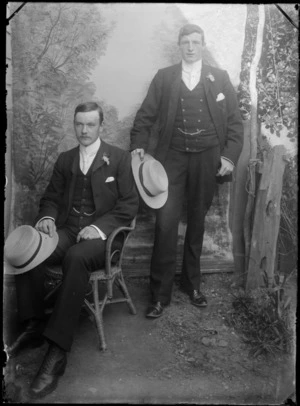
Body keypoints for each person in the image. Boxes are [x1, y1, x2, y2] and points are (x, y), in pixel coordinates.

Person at [5, 101, 139, 398]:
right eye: (79, 124)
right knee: (32, 252)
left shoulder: (118, 159)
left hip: (102, 237)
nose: (84, 130)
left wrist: (99, 227)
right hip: (67, 229)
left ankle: (57, 352)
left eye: (91, 124)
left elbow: (129, 205)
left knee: (77, 258)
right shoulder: (66, 159)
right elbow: (50, 196)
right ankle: (34, 324)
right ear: (74, 124)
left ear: (101, 126)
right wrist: (48, 218)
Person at [130, 24, 244, 319]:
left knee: (197, 220)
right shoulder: (165, 77)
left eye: (196, 42)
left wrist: (229, 157)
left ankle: (192, 284)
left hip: (207, 158)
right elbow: (145, 115)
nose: (191, 47)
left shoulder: (219, 78)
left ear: (203, 45)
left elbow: (234, 123)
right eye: (185, 42)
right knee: (165, 223)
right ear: (179, 45)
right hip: (172, 158)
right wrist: (139, 144)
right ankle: (159, 294)